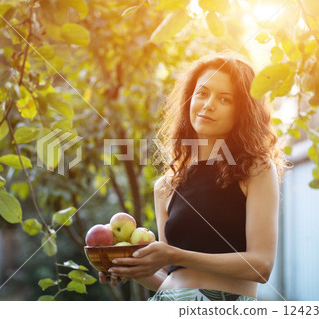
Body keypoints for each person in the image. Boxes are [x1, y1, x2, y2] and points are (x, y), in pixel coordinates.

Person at [98, 52, 290, 301]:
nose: (209, 104)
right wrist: (130, 269)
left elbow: (261, 266)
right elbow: (170, 276)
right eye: (202, 93)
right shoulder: (167, 185)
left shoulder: (256, 170)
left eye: (224, 99)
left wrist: (175, 255)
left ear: (242, 111)